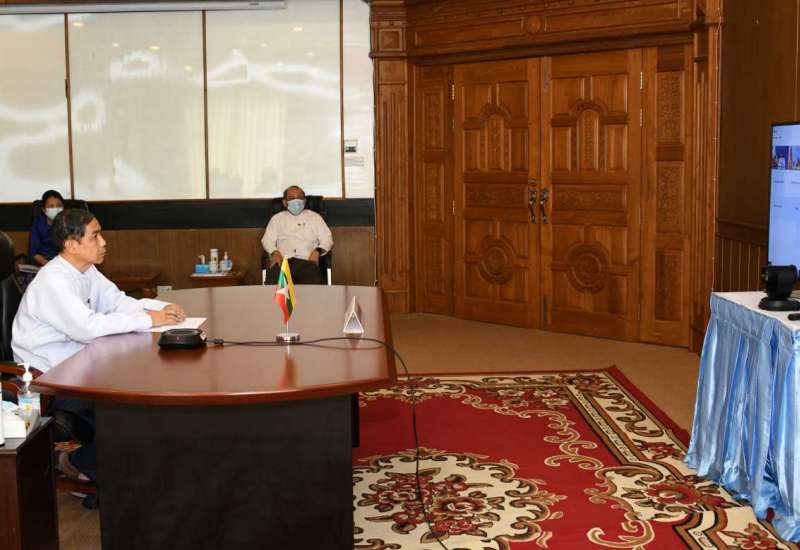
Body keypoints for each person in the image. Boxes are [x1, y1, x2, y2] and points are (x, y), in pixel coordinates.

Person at [11, 208, 185, 482]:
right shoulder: (53, 280)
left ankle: (110, 472)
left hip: (78, 364)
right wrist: (148, 319)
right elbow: (87, 328)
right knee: (130, 405)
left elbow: (117, 302)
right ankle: (77, 463)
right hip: (50, 377)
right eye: (95, 236)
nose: (103, 242)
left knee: (142, 391)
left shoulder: (86, 270)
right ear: (72, 245)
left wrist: (160, 308)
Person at [261, 185, 333, 285]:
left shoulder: (315, 218)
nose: (296, 201)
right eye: (292, 198)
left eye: (300, 198)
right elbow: (267, 240)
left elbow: (327, 239)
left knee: (312, 288)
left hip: (307, 263)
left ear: (304, 201)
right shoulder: (277, 219)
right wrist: (274, 252)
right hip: (282, 262)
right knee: (274, 288)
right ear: (285, 202)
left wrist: (317, 251)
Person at [29, 189, 65, 266]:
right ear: (44, 209)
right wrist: (50, 266)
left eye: (59, 205)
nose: (56, 209)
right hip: (45, 262)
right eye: (51, 206)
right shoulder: (38, 223)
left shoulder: (69, 222)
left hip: (66, 262)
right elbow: (34, 253)